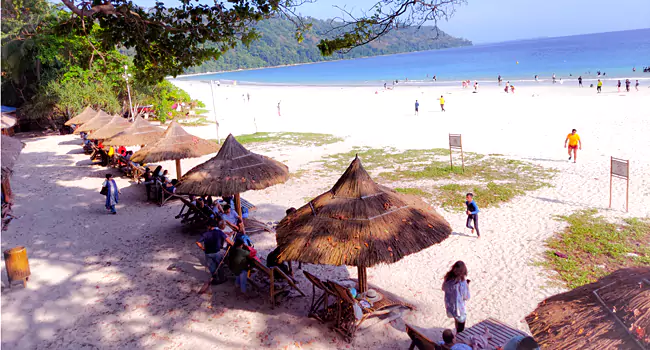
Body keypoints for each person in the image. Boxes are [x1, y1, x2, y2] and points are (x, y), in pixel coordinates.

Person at [196, 219, 233, 284]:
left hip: (208, 253)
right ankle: (222, 278)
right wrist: (233, 244)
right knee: (220, 265)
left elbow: (198, 242)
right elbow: (228, 241)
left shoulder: (205, 234)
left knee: (212, 267)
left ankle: (215, 278)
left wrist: (203, 248)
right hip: (217, 253)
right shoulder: (219, 232)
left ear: (209, 226)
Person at [443, 261, 471, 333]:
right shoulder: (462, 283)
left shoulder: (448, 279)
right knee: (461, 326)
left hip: (450, 305)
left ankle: (457, 333)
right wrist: (467, 286)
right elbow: (466, 297)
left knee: (456, 320)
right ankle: (458, 336)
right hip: (459, 308)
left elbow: (444, 288)